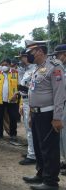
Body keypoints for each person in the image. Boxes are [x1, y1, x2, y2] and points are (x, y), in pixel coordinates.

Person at [22, 40, 66, 190]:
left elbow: (60, 94)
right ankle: (41, 173)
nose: (29, 55)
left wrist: (57, 117)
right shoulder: (38, 68)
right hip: (36, 114)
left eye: (31, 52)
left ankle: (51, 181)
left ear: (40, 51)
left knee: (49, 149)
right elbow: (33, 90)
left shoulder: (54, 67)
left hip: (49, 114)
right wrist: (31, 113)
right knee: (39, 147)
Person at [0, 58, 19, 141]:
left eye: (6, 65)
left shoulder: (15, 73)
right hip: (0, 99)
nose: (4, 66)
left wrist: (16, 94)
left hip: (12, 99)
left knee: (13, 117)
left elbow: (19, 86)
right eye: (2, 65)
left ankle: (13, 135)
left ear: (10, 65)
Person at [17, 49, 37, 165]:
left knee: (31, 129)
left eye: (22, 57)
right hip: (25, 101)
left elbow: (33, 88)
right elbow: (22, 87)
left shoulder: (35, 69)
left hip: (32, 101)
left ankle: (32, 155)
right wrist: (20, 102)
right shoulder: (26, 70)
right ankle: (32, 151)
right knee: (28, 128)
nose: (21, 60)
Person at [51, 44, 66, 176]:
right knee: (62, 135)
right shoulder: (62, 68)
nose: (56, 57)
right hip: (63, 105)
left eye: (58, 55)